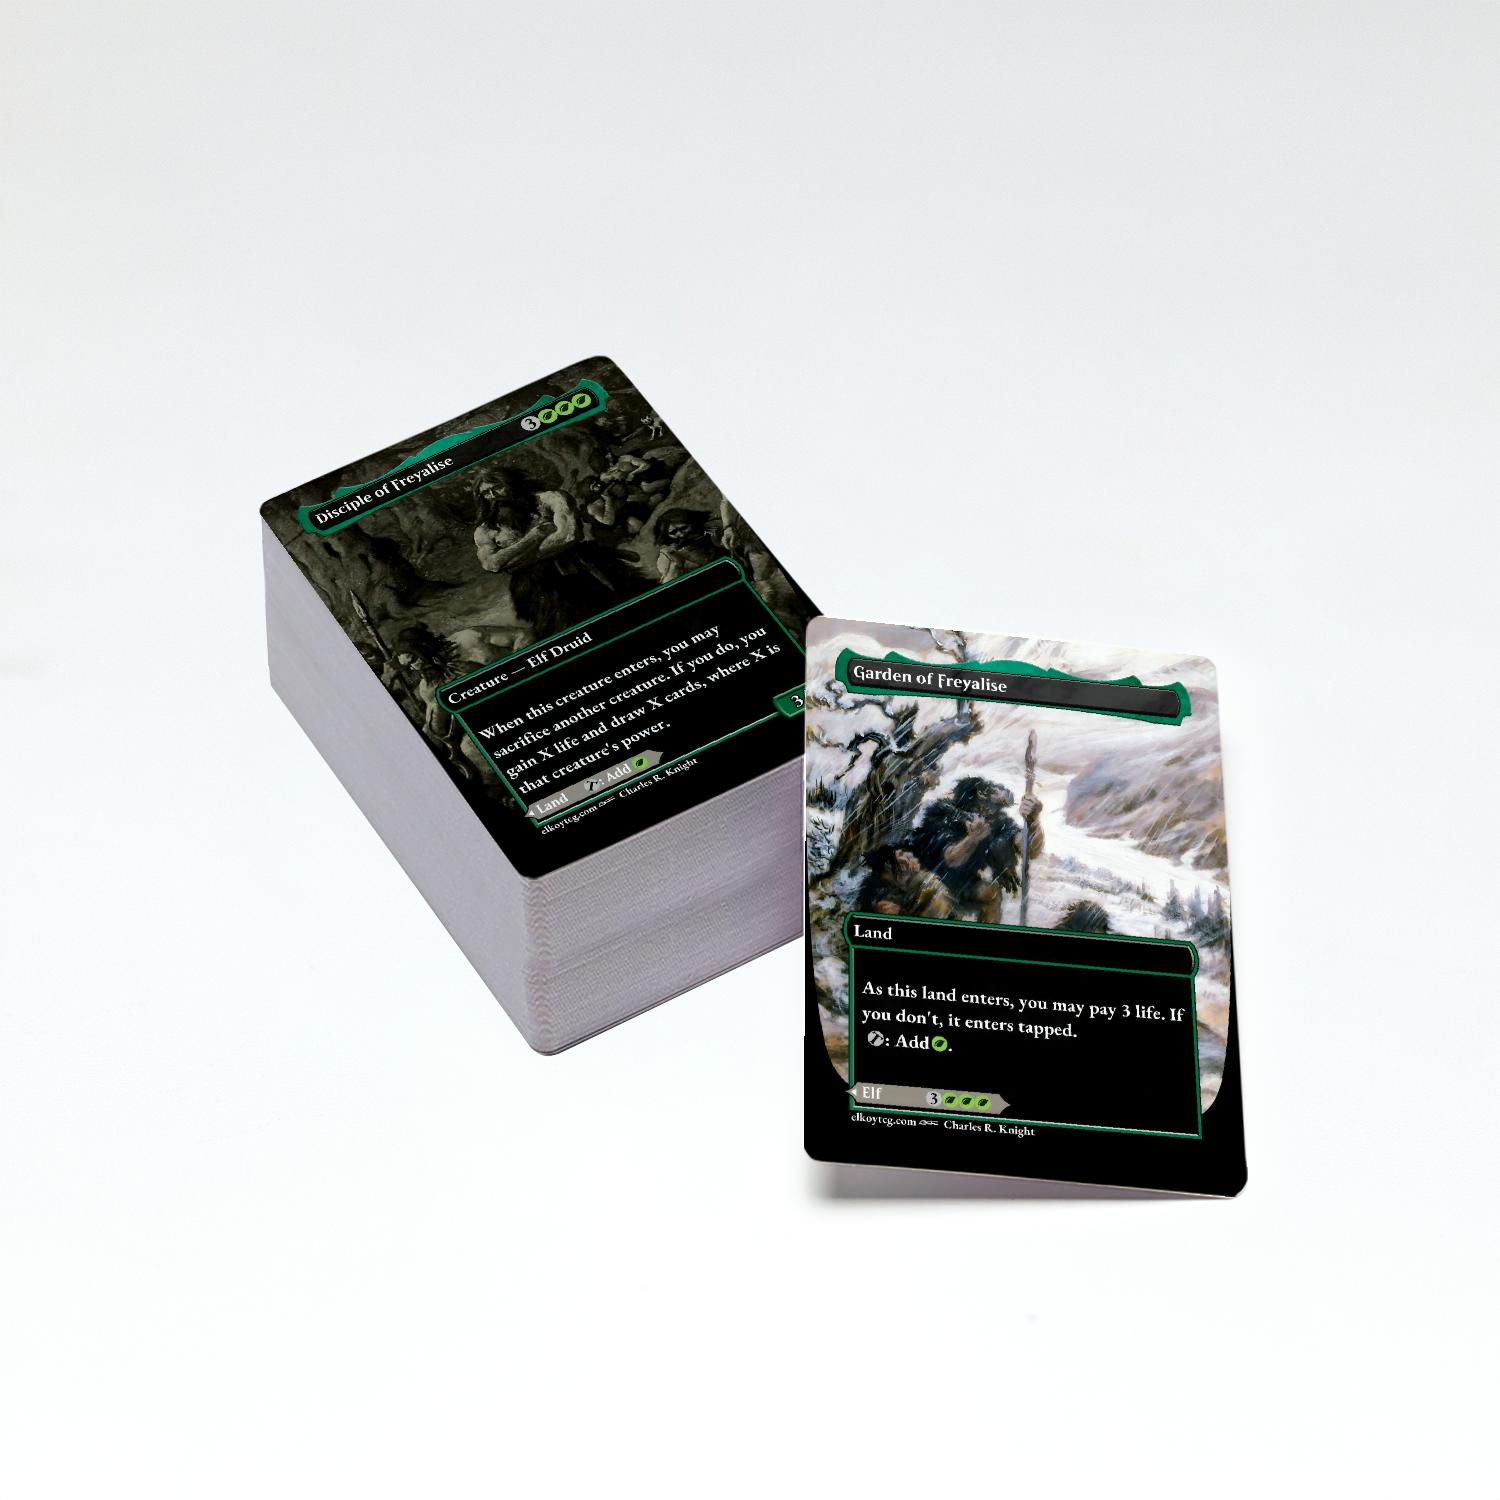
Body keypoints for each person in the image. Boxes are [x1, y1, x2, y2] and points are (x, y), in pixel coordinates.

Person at [912, 775, 1044, 924]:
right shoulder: (946, 815)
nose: (999, 795)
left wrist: (1033, 820)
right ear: (979, 794)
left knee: (991, 892)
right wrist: (972, 839)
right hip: (930, 877)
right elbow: (951, 857)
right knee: (937, 902)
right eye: (993, 791)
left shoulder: (997, 821)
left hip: (964, 882)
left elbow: (1029, 848)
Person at [856, 845, 953, 919]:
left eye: (902, 854)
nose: (906, 861)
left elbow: (941, 909)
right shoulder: (882, 896)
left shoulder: (927, 881)